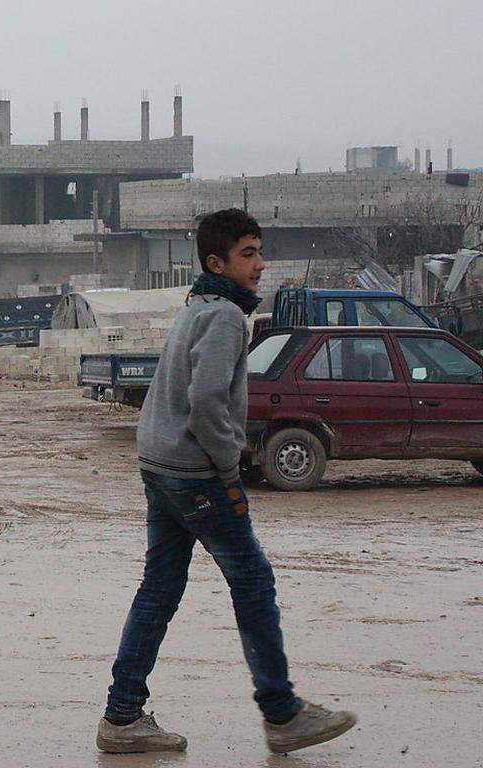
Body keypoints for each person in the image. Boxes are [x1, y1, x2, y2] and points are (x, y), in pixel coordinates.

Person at [96, 209, 357, 755]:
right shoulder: (224, 319)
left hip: (160, 465)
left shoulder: (199, 308)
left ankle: (122, 718)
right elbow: (208, 401)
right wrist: (229, 467)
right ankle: (282, 713)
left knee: (161, 587)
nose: (261, 265)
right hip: (194, 473)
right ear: (217, 263)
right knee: (254, 581)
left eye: (260, 252)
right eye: (248, 254)